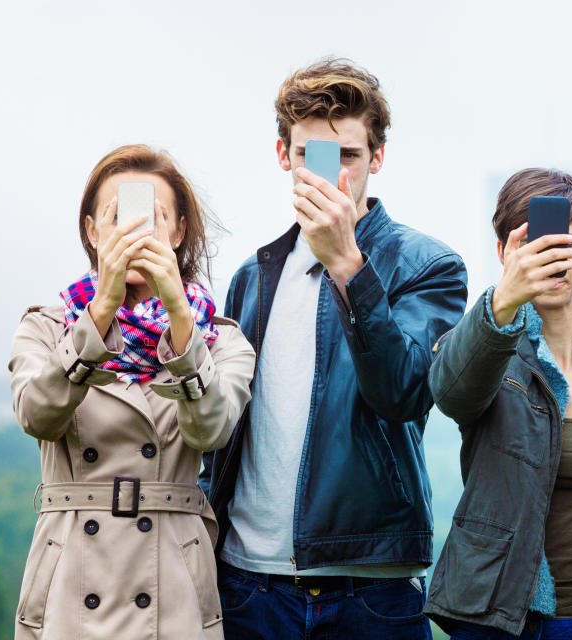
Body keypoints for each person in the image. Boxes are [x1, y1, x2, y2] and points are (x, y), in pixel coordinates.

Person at [200, 58, 468, 640]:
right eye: (309, 155)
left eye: (347, 155)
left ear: (376, 158)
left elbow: (404, 392)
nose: (331, 173)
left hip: (368, 588)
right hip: (248, 585)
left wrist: (348, 264)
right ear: (283, 156)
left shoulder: (428, 266)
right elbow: (219, 421)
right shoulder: (253, 276)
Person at [9, 144, 255, 640]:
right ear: (91, 231)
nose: (133, 232)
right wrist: (99, 315)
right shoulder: (47, 328)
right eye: (117, 217)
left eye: (153, 217)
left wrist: (181, 321)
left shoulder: (219, 339)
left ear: (178, 231)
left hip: (172, 581)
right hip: (71, 577)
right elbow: (38, 415)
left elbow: (212, 430)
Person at [423, 168, 572, 640]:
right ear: (504, 253)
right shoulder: (482, 347)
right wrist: (504, 301)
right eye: (533, 246)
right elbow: (451, 394)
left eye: (564, 246)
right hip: (504, 622)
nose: (550, 261)